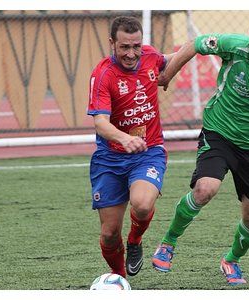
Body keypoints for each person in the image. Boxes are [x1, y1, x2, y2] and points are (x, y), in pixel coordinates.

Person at [151, 18, 249, 285]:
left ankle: (231, 261)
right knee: (205, 189)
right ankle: (167, 243)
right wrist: (168, 74)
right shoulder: (234, 46)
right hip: (219, 131)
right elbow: (195, 44)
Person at [87, 16, 173, 278]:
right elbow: (100, 122)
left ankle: (135, 241)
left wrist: (202, 45)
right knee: (110, 234)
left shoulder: (150, 56)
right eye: (125, 47)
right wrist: (124, 138)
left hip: (148, 152)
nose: (132, 53)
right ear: (112, 43)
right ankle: (120, 278)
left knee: (143, 204)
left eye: (136, 46)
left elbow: (173, 58)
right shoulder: (103, 75)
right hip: (110, 158)